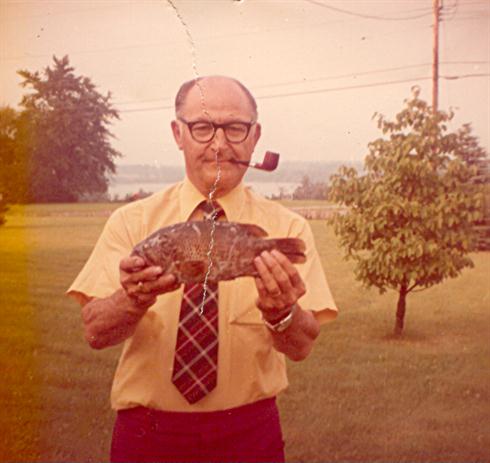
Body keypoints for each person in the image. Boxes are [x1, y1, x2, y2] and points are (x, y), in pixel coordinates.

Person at [67, 75, 337, 462]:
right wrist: (132, 299)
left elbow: (303, 344)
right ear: (178, 134)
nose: (220, 144)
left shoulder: (288, 228)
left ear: (255, 136)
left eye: (235, 128)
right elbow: (94, 331)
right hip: (147, 436)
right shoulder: (131, 222)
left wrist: (281, 313)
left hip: (249, 435)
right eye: (203, 127)